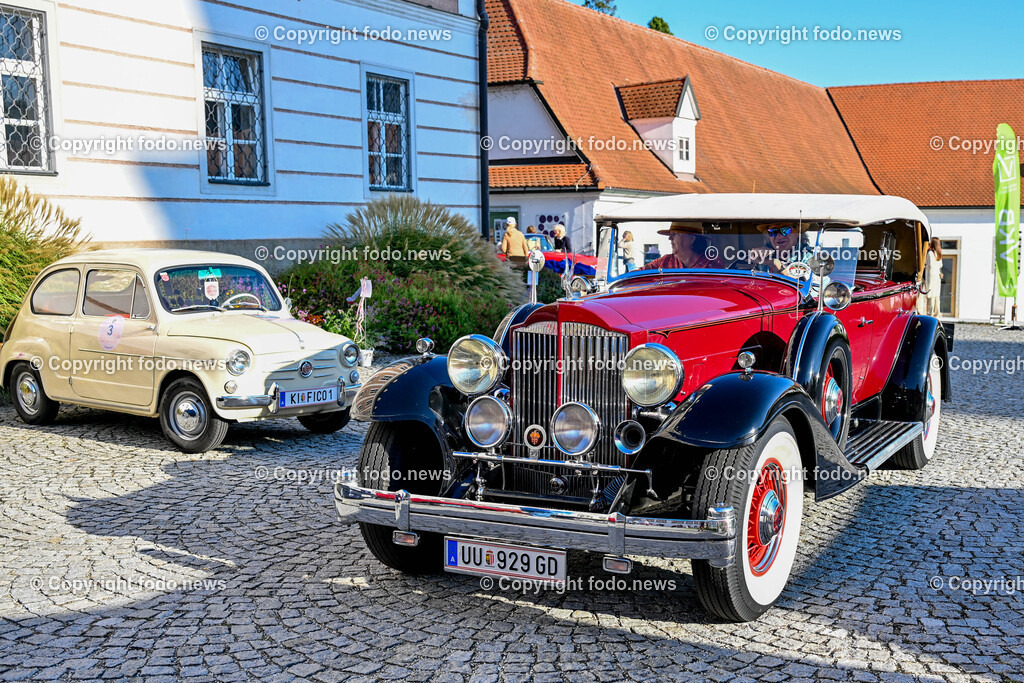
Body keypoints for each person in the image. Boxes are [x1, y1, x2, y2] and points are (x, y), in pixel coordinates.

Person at [642, 222, 724, 270]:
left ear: (691, 239)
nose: (670, 238)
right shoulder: (664, 261)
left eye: (675, 234)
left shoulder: (712, 265)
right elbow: (637, 274)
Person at [924, 237, 943, 316]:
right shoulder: (938, 253)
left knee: (930, 294)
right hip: (937, 276)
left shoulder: (930, 253)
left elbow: (930, 265)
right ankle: (937, 312)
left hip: (930, 275)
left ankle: (930, 313)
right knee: (936, 295)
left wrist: (925, 266)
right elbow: (940, 265)